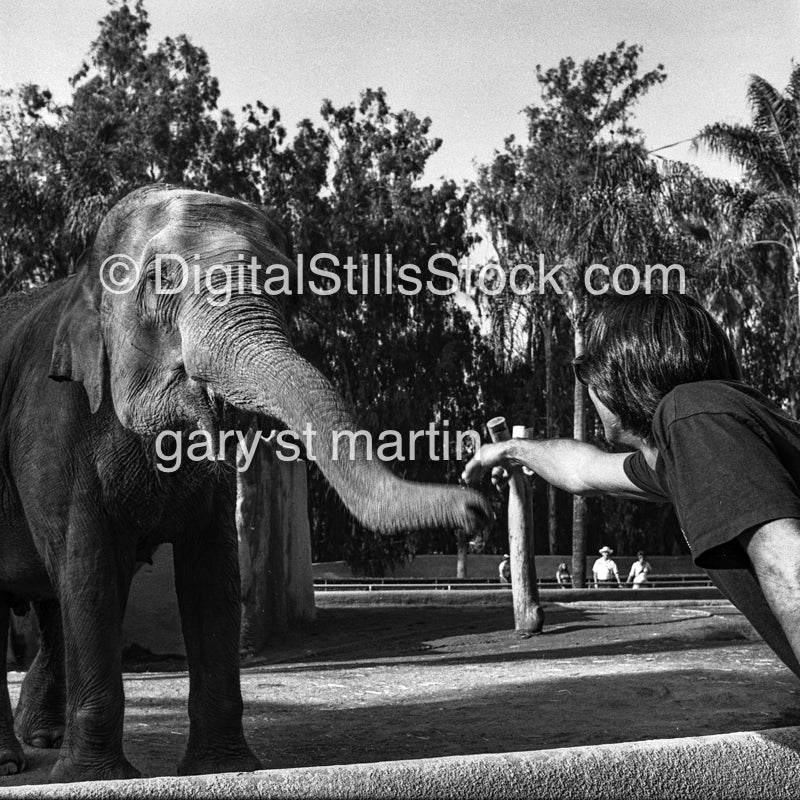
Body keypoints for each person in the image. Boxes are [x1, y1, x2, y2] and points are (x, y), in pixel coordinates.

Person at [463, 290, 800, 679]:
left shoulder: (692, 413)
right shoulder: (688, 447)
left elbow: (789, 566)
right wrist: (511, 449)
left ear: (616, 376)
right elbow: (582, 470)